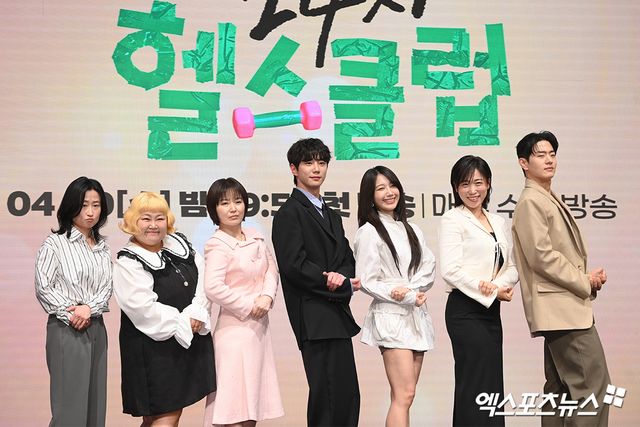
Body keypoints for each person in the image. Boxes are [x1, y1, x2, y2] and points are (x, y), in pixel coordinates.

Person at [512, 131, 610, 426]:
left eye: (552, 154)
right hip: (563, 312)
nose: (549, 160)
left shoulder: (544, 196)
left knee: (560, 392)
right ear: (523, 163)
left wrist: (586, 278)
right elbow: (542, 257)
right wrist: (583, 280)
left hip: (562, 310)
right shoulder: (531, 201)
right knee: (593, 387)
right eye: (540, 155)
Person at [271, 138, 361, 427]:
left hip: (336, 314)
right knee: (327, 397)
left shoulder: (332, 214)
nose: (316, 169)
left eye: (322, 162)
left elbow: (347, 257)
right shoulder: (288, 213)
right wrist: (331, 280)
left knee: (346, 395)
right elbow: (293, 266)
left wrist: (342, 277)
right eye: (308, 163)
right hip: (313, 318)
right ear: (294, 169)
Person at [112, 192, 215, 426]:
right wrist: (184, 322)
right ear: (132, 222)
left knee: (164, 416)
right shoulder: (128, 261)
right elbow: (142, 308)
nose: (153, 225)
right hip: (152, 349)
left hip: (185, 342)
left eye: (159, 218)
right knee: (164, 416)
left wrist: (197, 311)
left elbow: (203, 276)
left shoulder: (177, 243)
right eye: (145, 219)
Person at [438, 156, 518, 426]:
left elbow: (513, 265)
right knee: (473, 382)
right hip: (464, 311)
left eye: (478, 183)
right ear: (455, 187)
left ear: (488, 183)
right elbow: (450, 269)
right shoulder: (452, 219)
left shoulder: (498, 220)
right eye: (465, 184)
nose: (472, 190)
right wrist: (487, 290)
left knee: (492, 382)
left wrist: (496, 287)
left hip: (491, 311)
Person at [354, 166, 436, 427]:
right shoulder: (369, 231)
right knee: (404, 394)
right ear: (370, 196)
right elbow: (366, 280)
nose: (389, 192)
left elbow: (429, 267)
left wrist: (411, 292)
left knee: (405, 397)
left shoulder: (412, 229)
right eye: (381, 188)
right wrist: (399, 293)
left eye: (392, 185)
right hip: (391, 317)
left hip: (416, 315)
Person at [202, 178, 284, 427]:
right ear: (214, 209)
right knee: (233, 408)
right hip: (234, 333)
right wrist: (249, 306)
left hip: (258, 330)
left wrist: (267, 297)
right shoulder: (217, 244)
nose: (233, 208)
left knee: (252, 407)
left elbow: (272, 269)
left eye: (237, 201)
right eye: (224, 203)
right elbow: (213, 287)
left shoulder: (256, 236)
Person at [35, 176, 113, 427]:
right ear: (71, 206)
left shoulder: (102, 248)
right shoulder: (55, 244)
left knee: (95, 406)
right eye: (84, 205)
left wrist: (89, 308)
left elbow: (107, 287)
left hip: (96, 326)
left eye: (96, 205)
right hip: (66, 328)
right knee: (70, 408)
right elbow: (44, 286)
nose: (90, 212)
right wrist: (73, 314)